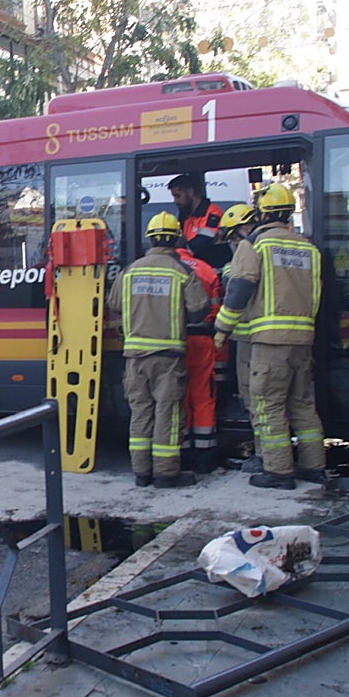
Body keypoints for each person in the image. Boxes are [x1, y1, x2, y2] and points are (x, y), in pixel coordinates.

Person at [213, 184, 325, 490]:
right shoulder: (308, 248)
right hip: (303, 340)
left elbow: (239, 289)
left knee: (268, 405)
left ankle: (278, 472)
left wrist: (222, 329)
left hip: (270, 342)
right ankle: (314, 467)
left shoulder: (256, 246)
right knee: (302, 404)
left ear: (262, 213)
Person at [108, 212, 208, 488]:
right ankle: (166, 473)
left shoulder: (129, 271)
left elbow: (114, 303)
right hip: (168, 357)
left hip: (135, 358)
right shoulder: (182, 272)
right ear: (176, 238)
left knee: (140, 413)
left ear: (149, 239)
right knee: (168, 413)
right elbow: (200, 311)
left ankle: (141, 473)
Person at [217, 203, 262, 472]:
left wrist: (220, 331)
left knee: (257, 401)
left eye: (234, 236)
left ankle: (268, 460)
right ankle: (308, 463)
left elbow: (235, 292)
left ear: (245, 227)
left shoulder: (250, 250)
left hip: (254, 341)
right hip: (267, 339)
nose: (233, 243)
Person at [175, 243, 223, 474]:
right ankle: (204, 456)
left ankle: (182, 451)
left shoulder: (167, 268)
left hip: (175, 341)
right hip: (203, 338)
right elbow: (216, 309)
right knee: (203, 395)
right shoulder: (206, 269)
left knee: (179, 396)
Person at [168, 172, 230, 270]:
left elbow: (202, 242)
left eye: (178, 195)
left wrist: (176, 253)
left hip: (212, 268)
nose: (175, 201)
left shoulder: (213, 213)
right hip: (194, 266)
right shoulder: (185, 215)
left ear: (190, 192)